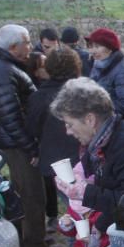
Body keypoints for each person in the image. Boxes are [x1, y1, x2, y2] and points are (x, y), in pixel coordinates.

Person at [0, 24, 63, 247]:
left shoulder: (3, 67)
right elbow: (10, 116)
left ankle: (34, 238)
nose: (30, 46)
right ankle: (35, 246)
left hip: (15, 140)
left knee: (30, 191)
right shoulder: (3, 72)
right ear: (14, 46)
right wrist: (30, 146)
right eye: (27, 42)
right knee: (32, 193)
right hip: (17, 144)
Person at [50, 78, 124, 234]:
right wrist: (101, 224)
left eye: (70, 124)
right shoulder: (100, 141)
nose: (68, 131)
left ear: (90, 119)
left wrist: (84, 192)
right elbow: (111, 188)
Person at [26, 48, 82, 182]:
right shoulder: (85, 92)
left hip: (55, 161)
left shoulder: (38, 97)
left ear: (48, 68)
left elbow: (32, 128)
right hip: (83, 157)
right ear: (76, 67)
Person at [86, 27, 124, 119]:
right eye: (91, 46)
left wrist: (96, 108)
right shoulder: (98, 64)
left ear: (110, 48)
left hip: (115, 126)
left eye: (97, 46)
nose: (93, 51)